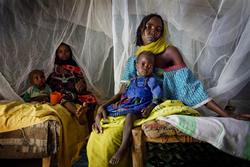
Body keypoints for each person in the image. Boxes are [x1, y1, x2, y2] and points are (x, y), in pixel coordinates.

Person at [94, 51, 162, 165]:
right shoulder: (131, 81)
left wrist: (150, 108)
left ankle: (123, 146)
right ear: (136, 65)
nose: (146, 67)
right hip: (126, 104)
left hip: (139, 106)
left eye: (150, 66)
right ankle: (100, 122)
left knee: (130, 116)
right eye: (143, 64)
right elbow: (123, 95)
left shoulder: (151, 80)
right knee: (104, 109)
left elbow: (157, 97)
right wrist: (118, 102)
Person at [47, 42, 97, 126]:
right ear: (56, 54)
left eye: (67, 51)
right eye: (60, 52)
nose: (64, 54)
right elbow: (50, 81)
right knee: (64, 98)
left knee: (91, 98)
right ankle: (77, 113)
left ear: (70, 52)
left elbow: (81, 78)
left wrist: (82, 84)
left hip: (75, 92)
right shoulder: (54, 66)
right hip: (62, 91)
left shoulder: (75, 66)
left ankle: (91, 124)